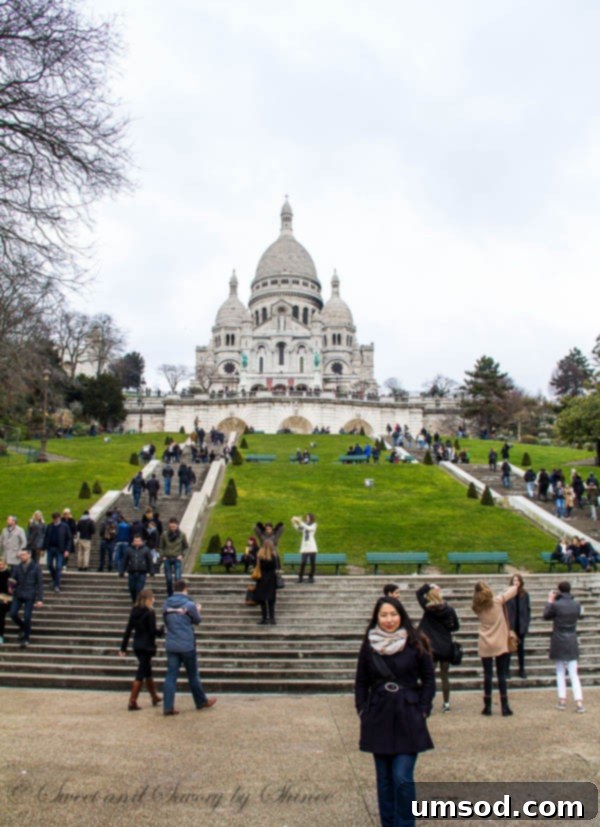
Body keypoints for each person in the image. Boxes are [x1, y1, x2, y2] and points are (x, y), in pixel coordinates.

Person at [355, 595, 435, 827]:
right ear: (376, 618)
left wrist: (423, 708)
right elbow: (361, 681)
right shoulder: (369, 644)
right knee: (384, 781)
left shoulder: (416, 641)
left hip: (408, 714)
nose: (389, 619)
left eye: (393, 614)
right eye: (384, 615)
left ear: (401, 615)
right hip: (379, 714)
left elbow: (429, 678)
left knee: (401, 777)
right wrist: (362, 709)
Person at [162, 579, 217, 716]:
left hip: (172, 643)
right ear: (185, 588)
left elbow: (166, 620)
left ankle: (168, 706)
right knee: (193, 674)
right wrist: (198, 610)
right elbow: (197, 621)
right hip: (187, 643)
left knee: (170, 675)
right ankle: (200, 701)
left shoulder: (166, 603)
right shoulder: (190, 604)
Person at [471, 579, 519, 716]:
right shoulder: (497, 602)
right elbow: (512, 592)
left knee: (487, 675)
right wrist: (515, 584)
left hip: (485, 641)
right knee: (501, 674)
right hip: (499, 640)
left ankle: (487, 706)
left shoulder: (476, 607)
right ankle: (504, 706)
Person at [416, 583, 460, 712]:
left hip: (432, 646)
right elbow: (456, 626)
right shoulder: (449, 609)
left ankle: (427, 701)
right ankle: (446, 703)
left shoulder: (428, 609)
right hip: (445, 644)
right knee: (444, 675)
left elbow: (418, 593)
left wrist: (428, 585)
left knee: (429, 675)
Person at [119, 588, 163, 710]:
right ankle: (132, 701)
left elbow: (128, 630)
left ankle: (154, 696)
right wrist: (161, 630)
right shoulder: (150, 613)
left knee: (147, 670)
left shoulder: (134, 611)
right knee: (141, 673)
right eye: (153, 597)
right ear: (148, 600)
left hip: (137, 645)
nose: (154, 599)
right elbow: (152, 631)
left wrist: (123, 647)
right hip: (147, 646)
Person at [543, 582, 584, 712]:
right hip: (571, 637)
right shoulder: (576, 604)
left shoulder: (556, 605)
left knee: (560, 671)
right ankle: (579, 701)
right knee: (573, 672)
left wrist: (549, 601)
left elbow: (545, 615)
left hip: (559, 638)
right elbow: (580, 615)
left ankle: (562, 699)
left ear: (559, 591)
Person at [10, 548, 43, 648]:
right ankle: (23, 627)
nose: (21, 556)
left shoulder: (36, 567)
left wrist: (40, 599)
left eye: (23, 555)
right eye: (21, 555)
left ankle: (26, 638)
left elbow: (39, 584)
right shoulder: (17, 567)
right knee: (12, 613)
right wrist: (11, 587)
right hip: (19, 593)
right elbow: (13, 579)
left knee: (27, 616)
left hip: (30, 593)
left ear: (29, 555)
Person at [505, 574, 531, 679]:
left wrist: (526, 623)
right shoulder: (508, 594)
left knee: (521, 649)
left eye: (518, 580)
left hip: (521, 625)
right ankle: (506, 670)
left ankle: (522, 669)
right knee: (509, 649)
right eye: (514, 580)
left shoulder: (524, 594)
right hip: (511, 625)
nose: (516, 582)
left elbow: (527, 610)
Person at [43, 511, 72, 593]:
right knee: (49, 565)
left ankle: (57, 585)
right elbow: (46, 537)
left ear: (59, 518)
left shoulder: (64, 526)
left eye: (56, 518)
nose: (55, 520)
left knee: (59, 567)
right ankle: (55, 579)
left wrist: (67, 550)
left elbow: (69, 538)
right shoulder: (50, 526)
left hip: (60, 550)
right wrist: (44, 548)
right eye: (54, 519)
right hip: (50, 548)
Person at [120, 535, 154, 603]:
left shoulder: (146, 549)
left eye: (138, 541)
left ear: (141, 541)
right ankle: (134, 601)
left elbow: (149, 561)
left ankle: (138, 602)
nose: (137, 542)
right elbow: (125, 561)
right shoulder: (129, 550)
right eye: (135, 541)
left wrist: (151, 571)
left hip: (142, 572)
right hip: (132, 572)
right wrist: (122, 571)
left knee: (139, 589)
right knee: (132, 588)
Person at [159, 518, 189, 596]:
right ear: (169, 525)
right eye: (171, 525)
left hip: (177, 558)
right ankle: (170, 593)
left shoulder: (182, 535)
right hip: (167, 558)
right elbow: (161, 546)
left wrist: (182, 555)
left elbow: (186, 547)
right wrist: (163, 556)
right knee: (168, 578)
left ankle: (177, 594)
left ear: (177, 525)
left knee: (178, 577)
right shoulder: (164, 534)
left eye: (174, 525)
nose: (172, 527)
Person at [253, 540, 279, 625]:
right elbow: (276, 567)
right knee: (271, 600)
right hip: (271, 579)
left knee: (262, 600)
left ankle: (264, 618)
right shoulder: (274, 555)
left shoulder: (260, 555)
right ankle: (272, 618)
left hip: (262, 579)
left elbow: (257, 566)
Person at [291, 513, 318, 583]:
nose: (307, 518)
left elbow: (308, 528)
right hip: (305, 547)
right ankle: (300, 577)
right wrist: (294, 523)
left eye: (308, 517)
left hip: (312, 547)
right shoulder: (304, 525)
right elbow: (298, 528)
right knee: (303, 562)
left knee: (313, 563)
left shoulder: (314, 525)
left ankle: (311, 577)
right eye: (306, 517)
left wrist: (300, 521)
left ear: (311, 518)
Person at [0, 558, 11, 644]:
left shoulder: (8, 574)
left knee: (1, 618)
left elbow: (10, 588)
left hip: (4, 598)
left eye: (2, 564)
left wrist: (6, 599)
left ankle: (1, 635)